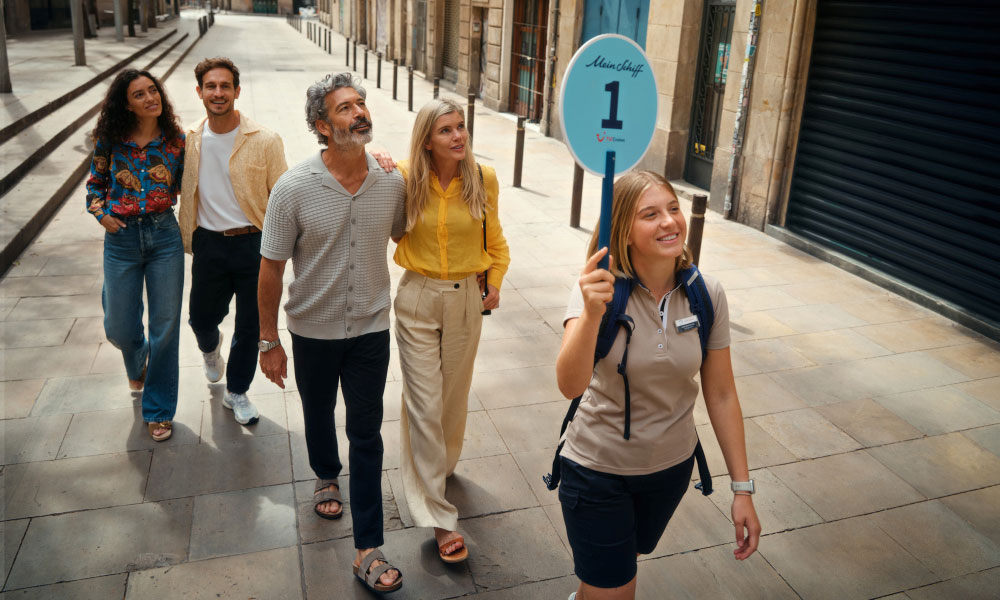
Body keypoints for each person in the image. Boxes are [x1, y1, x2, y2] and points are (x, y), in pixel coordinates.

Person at [554, 171, 761, 600]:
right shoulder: (598, 289)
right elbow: (569, 385)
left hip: (669, 471)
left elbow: (721, 393)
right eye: (650, 214)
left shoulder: (706, 293)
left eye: (672, 208)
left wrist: (742, 489)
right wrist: (592, 313)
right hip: (597, 469)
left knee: (613, 570)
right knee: (616, 587)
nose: (669, 222)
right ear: (623, 231)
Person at [258, 73, 405, 594]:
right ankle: (325, 471)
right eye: (345, 108)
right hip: (312, 331)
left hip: (371, 328)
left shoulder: (392, 182)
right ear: (322, 125)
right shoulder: (294, 187)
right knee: (318, 411)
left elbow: (411, 235)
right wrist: (268, 341)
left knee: (367, 433)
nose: (359, 112)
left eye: (361, 104)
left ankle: (367, 547)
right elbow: (271, 267)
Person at [393, 98, 510, 564]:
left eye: (461, 127)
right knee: (424, 402)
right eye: (446, 130)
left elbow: (496, 241)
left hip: (466, 298)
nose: (458, 136)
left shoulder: (484, 179)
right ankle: (440, 516)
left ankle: (438, 469)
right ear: (427, 139)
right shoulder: (401, 178)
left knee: (453, 400)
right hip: (417, 298)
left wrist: (494, 282)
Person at [179, 57, 288, 426]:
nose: (218, 92)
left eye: (226, 86)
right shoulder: (190, 140)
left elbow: (283, 195)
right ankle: (211, 350)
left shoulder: (266, 140)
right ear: (200, 92)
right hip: (208, 243)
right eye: (211, 86)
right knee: (200, 318)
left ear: (237, 92)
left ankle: (237, 391)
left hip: (254, 246)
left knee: (251, 327)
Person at [85, 69, 185, 442]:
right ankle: (137, 356)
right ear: (125, 104)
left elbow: (188, 186)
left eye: (152, 90)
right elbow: (94, 185)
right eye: (139, 94)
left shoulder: (176, 142)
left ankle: (159, 409)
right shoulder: (111, 140)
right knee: (120, 328)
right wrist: (102, 215)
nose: (150, 98)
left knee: (166, 326)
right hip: (122, 238)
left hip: (164, 237)